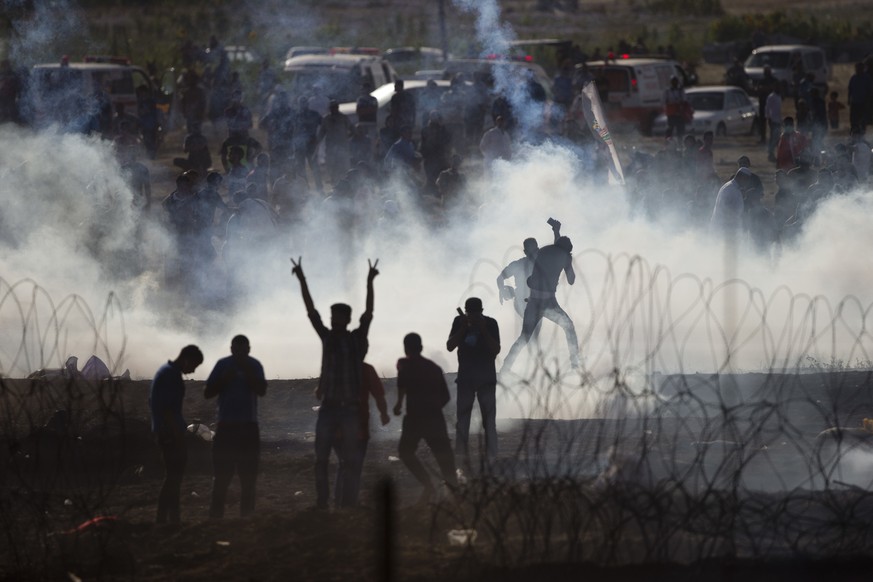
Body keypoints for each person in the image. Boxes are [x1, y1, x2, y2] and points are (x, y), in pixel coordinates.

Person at [290, 257, 379, 509]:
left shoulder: (354, 340)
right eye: (332, 318)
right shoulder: (329, 337)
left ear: (346, 320)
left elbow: (368, 314)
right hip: (331, 407)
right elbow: (311, 312)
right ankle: (323, 503)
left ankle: (344, 505)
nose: (333, 321)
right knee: (322, 459)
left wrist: (369, 282)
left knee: (347, 460)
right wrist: (302, 279)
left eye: (337, 318)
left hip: (347, 408)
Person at [500, 222, 580, 374]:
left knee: (525, 337)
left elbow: (555, 247)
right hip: (548, 302)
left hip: (534, 301)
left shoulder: (544, 251)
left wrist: (556, 231)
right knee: (568, 327)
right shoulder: (563, 256)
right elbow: (571, 280)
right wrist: (568, 263)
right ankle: (575, 363)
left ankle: (506, 366)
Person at [204, 335, 267, 519]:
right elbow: (207, 392)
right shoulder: (223, 365)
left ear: (249, 349)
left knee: (248, 477)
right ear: (231, 349)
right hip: (227, 427)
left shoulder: (254, 366)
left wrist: (247, 374)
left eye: (243, 349)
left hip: (247, 427)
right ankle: (216, 517)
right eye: (236, 349)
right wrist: (224, 380)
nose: (239, 353)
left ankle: (246, 516)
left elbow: (261, 390)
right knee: (222, 476)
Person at [394, 332, 458, 504]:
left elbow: (401, 385)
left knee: (406, 452)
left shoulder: (403, 364)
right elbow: (445, 396)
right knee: (444, 456)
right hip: (433, 417)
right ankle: (456, 493)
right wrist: (434, 408)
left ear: (406, 348)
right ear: (421, 348)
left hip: (414, 417)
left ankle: (428, 484)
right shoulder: (433, 368)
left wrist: (399, 404)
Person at [149, 344, 204, 524]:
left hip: (165, 432)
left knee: (173, 478)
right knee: (173, 478)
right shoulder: (171, 376)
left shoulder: (165, 372)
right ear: (187, 360)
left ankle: (172, 518)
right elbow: (168, 411)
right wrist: (179, 438)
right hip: (170, 434)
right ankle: (164, 520)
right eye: (194, 366)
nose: (193, 371)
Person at [447, 297, 500, 467]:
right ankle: (460, 458)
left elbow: (496, 349)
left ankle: (492, 457)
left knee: (489, 422)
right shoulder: (459, 322)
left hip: (486, 380)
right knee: (463, 421)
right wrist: (463, 327)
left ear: (481, 312)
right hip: (466, 379)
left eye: (476, 314)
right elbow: (450, 345)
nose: (473, 316)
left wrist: (483, 330)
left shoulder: (491, 324)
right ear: (466, 311)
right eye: (470, 313)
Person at [497, 219, 562, 319]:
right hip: (522, 301)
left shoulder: (543, 262)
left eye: (535, 250)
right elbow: (500, 277)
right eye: (530, 252)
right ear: (525, 252)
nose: (533, 254)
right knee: (533, 327)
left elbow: (557, 251)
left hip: (540, 299)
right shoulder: (518, 265)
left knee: (564, 324)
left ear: (538, 249)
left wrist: (556, 231)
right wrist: (502, 289)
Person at [663, 76, 687, 140]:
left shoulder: (680, 90)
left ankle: (680, 143)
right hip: (671, 114)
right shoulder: (667, 91)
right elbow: (664, 101)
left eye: (676, 81)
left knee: (680, 130)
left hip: (679, 113)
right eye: (673, 81)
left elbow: (684, 100)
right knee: (670, 129)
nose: (674, 83)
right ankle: (668, 142)